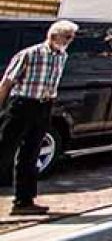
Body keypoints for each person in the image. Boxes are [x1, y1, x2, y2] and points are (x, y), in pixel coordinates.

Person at [0, 20, 76, 215]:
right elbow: (7, 82)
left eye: (71, 37)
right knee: (4, 151)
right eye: (67, 36)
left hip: (44, 106)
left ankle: (23, 201)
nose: (70, 40)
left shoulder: (62, 56)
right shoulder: (29, 54)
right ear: (54, 36)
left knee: (31, 153)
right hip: (22, 104)